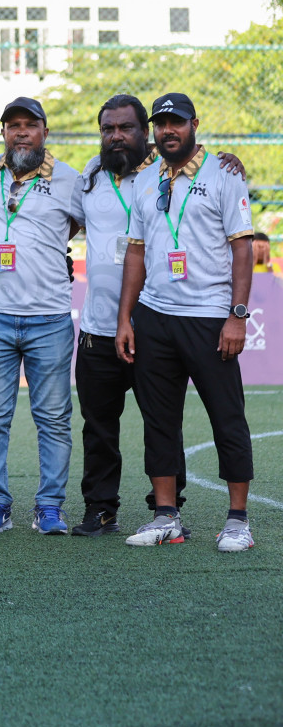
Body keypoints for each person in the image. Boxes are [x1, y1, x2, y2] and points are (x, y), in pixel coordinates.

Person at [69, 95, 241, 537]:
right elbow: (56, 220)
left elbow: (237, 238)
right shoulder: (87, 176)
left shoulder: (173, 173)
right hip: (106, 325)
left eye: (126, 128)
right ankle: (108, 509)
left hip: (177, 320)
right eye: (109, 129)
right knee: (104, 427)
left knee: (181, 419)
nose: (116, 136)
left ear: (144, 133)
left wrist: (238, 314)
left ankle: (196, 513)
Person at [117, 92, 258, 552]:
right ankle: (166, 516)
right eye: (160, 124)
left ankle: (237, 520)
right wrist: (126, 317)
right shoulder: (144, 180)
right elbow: (135, 252)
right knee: (158, 421)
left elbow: (242, 247)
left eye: (176, 123)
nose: (167, 131)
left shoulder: (224, 173)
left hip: (209, 317)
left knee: (226, 417)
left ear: (194, 123)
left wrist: (237, 317)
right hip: (155, 317)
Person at [0, 97, 81, 535]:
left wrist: (53, 246)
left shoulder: (70, 179)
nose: (21, 133)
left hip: (49, 318)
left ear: (45, 132)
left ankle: (49, 506)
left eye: (30, 125)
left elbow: (88, 220)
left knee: (53, 418)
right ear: (3, 133)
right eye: (12, 125)